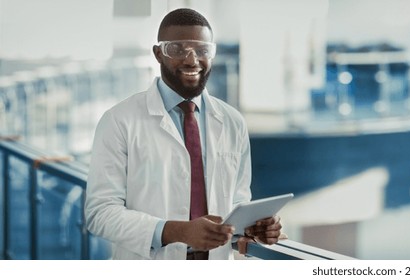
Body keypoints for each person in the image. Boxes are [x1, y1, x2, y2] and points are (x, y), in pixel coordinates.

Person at [85, 8, 282, 260]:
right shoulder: (119, 120)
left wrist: (254, 227)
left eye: (202, 50)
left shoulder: (233, 122)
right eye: (177, 49)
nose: (192, 60)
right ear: (158, 54)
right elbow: (100, 213)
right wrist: (178, 231)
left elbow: (237, 202)